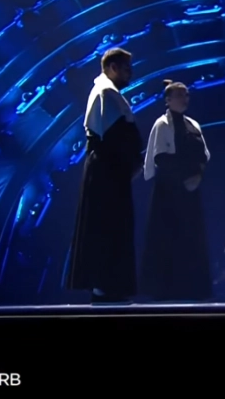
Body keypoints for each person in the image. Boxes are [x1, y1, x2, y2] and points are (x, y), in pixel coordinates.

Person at [65, 48, 143, 304]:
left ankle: (110, 285)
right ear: (112, 68)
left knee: (113, 227)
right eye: (126, 68)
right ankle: (104, 286)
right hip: (107, 171)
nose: (130, 73)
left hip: (111, 171)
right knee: (106, 227)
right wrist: (130, 164)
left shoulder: (109, 93)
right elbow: (114, 136)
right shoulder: (105, 93)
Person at [141, 80, 212, 301]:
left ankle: (193, 289)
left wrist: (197, 176)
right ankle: (165, 290)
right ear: (168, 100)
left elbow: (204, 156)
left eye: (186, 95)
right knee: (167, 241)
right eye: (180, 95)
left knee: (192, 240)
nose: (185, 99)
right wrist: (182, 179)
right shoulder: (162, 124)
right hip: (169, 194)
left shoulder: (194, 125)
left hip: (191, 193)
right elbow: (161, 157)